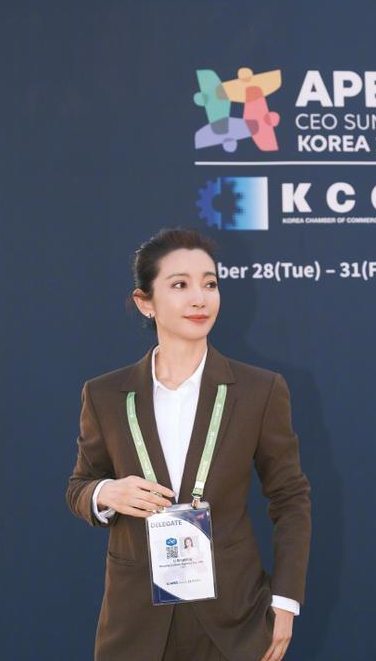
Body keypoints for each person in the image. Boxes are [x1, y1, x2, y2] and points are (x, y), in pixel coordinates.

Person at [65, 227, 311, 661]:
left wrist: (285, 602)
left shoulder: (260, 390)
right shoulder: (104, 395)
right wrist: (107, 492)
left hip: (235, 621)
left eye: (209, 284)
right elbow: (79, 487)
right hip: (134, 623)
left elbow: (290, 497)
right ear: (145, 302)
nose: (200, 298)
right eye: (180, 285)